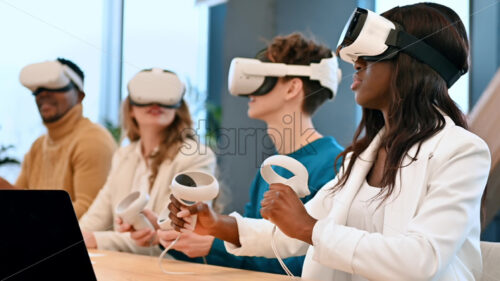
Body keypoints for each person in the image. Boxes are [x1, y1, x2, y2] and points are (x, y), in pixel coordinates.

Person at [168, 4, 491, 281]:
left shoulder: (462, 152)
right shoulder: (361, 158)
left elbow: (422, 259)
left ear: (411, 63)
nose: (357, 64)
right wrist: (215, 224)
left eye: (370, 55)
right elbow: (290, 233)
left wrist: (309, 228)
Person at [125, 33, 344, 275]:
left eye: (264, 79)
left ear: (292, 88)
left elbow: (313, 261)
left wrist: (214, 245)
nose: (249, 90)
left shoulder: (334, 166)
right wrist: (172, 234)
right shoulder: (270, 169)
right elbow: (249, 251)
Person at [79, 68, 216, 255]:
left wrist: (96, 239)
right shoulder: (123, 156)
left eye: (164, 98)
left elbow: (173, 234)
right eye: (145, 97)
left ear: (177, 108)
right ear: (131, 109)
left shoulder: (196, 156)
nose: (155, 103)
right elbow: (95, 218)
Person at [0, 58, 116, 218]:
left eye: (55, 86)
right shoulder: (38, 146)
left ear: (80, 95)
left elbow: (91, 212)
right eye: (38, 90)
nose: (44, 94)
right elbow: (19, 202)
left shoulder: (93, 140)